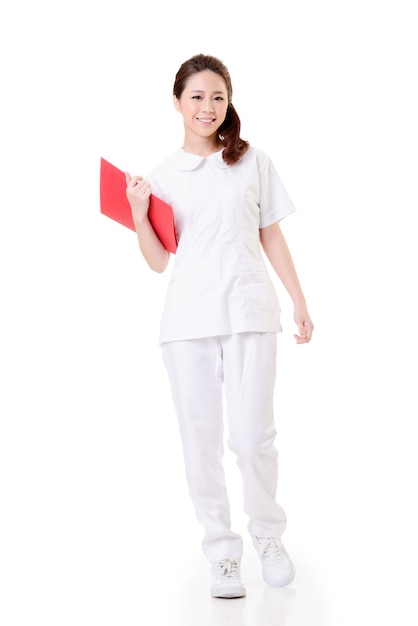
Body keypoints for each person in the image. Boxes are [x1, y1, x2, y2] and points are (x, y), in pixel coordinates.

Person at [125, 53, 313, 599]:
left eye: (217, 97)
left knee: (254, 436)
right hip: (188, 321)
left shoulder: (253, 161)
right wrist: (139, 214)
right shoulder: (160, 177)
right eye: (197, 97)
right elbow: (159, 261)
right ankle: (222, 552)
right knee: (200, 440)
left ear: (228, 102)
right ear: (178, 102)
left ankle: (268, 536)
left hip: (252, 310)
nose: (207, 107)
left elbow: (271, 235)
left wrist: (299, 300)